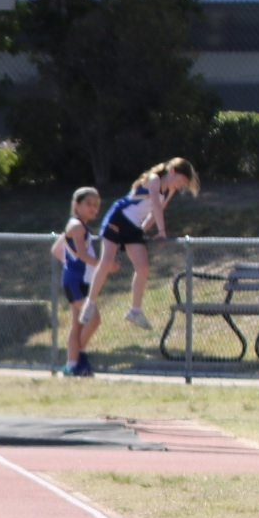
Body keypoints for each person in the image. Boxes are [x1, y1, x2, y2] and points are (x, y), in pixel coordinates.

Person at [85, 157, 198, 334]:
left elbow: (154, 213)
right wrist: (162, 231)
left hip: (133, 227)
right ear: (172, 171)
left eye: (184, 183)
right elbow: (155, 205)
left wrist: (142, 232)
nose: (181, 184)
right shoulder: (154, 179)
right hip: (118, 219)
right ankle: (90, 304)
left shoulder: (168, 190)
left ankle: (135, 311)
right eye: (181, 180)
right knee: (106, 262)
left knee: (143, 268)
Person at [52, 186, 102, 376]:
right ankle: (80, 355)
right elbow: (82, 254)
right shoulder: (77, 226)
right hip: (75, 282)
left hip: (82, 280)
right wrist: (103, 265)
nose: (93, 208)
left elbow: (56, 250)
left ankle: (72, 365)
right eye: (88, 204)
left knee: (78, 324)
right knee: (94, 319)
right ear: (77, 205)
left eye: (95, 205)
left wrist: (70, 261)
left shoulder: (76, 226)